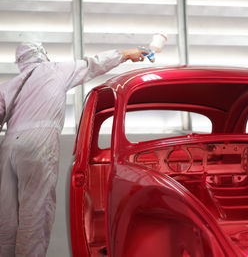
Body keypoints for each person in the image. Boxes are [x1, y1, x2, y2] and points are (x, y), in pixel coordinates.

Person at [0, 42, 149, 256]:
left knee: (6, 220)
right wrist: (125, 54)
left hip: (7, 149)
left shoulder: (8, 86)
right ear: (42, 54)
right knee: (35, 214)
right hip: (37, 145)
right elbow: (93, 64)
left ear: (20, 62)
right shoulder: (56, 69)